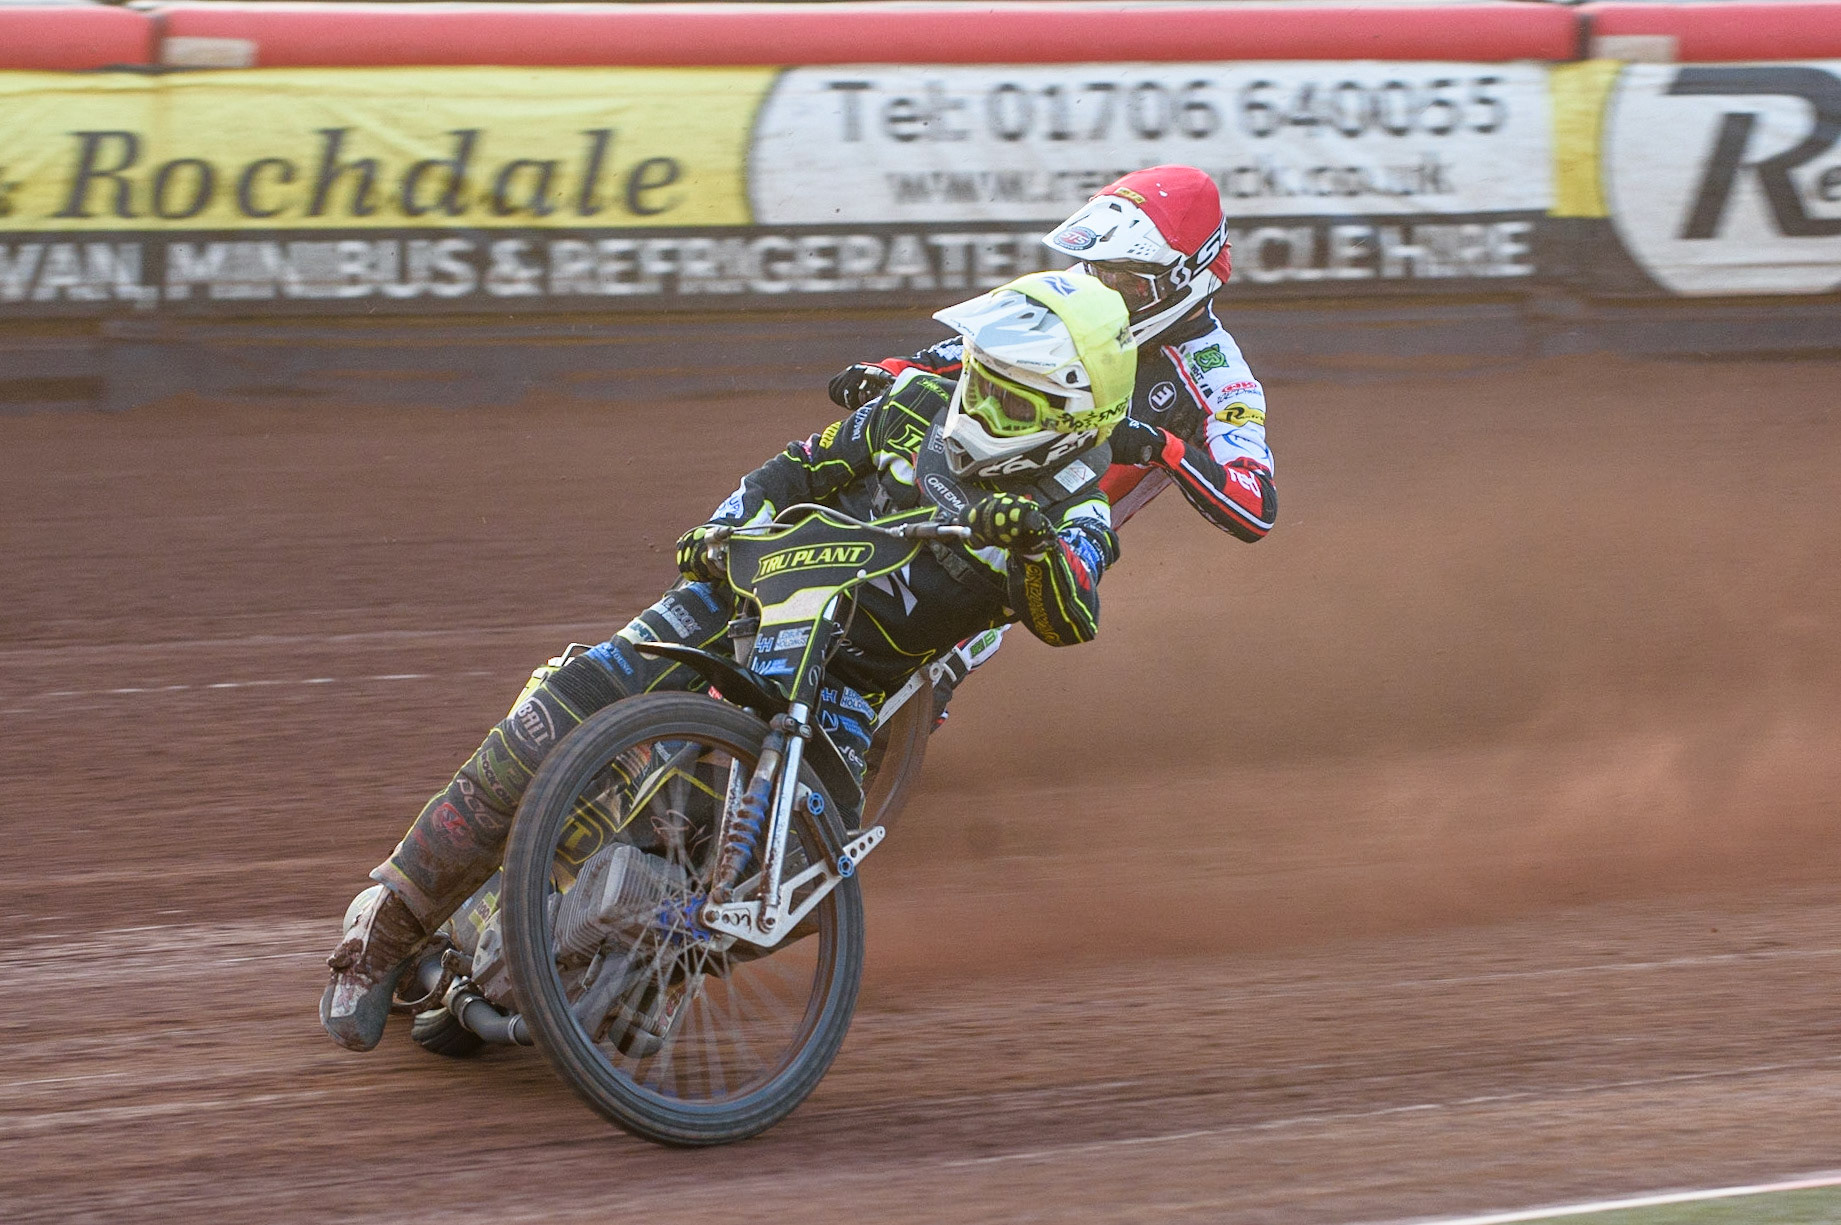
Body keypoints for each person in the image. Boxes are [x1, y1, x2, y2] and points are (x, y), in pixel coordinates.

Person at [320, 269, 1137, 1052]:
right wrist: (722, 529)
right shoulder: (918, 402)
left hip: (847, 683)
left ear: (1069, 418)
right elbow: (796, 469)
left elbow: (1071, 615)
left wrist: (1033, 547)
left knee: (792, 878)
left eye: (1007, 395)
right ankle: (382, 931)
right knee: (557, 714)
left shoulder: (1075, 507)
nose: (978, 398)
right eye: (981, 376)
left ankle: (649, 972)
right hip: (744, 596)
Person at [829, 165, 1276, 545]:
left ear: (1183, 279)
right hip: (946, 468)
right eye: (1098, 269)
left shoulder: (1216, 377)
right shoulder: (1080, 296)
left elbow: (1255, 506)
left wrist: (1157, 445)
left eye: (1126, 281)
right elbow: (983, 345)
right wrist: (890, 369)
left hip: (1020, 543)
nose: (1102, 287)